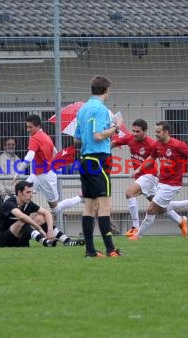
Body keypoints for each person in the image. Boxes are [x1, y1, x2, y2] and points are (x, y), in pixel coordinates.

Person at [112, 119, 188, 237]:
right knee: (161, 208)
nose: (156, 134)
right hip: (160, 181)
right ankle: (184, 212)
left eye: (158, 132)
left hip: (162, 180)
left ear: (166, 132)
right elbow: (151, 159)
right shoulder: (157, 145)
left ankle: (136, 232)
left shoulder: (174, 144)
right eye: (133, 130)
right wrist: (139, 169)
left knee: (139, 200)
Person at [74, 75, 122, 257]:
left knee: (89, 206)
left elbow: (77, 139)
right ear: (107, 90)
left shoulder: (83, 109)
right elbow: (98, 136)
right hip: (98, 159)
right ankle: (111, 249)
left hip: (85, 159)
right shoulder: (101, 109)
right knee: (104, 204)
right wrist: (115, 128)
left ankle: (90, 250)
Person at [11, 114, 82, 214]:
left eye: (30, 127)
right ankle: (19, 219)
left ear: (38, 126)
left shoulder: (34, 138)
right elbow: (55, 152)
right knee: (20, 195)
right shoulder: (46, 136)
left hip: (45, 177)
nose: (28, 129)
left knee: (55, 208)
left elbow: (29, 157)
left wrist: (16, 175)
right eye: (27, 126)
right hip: (37, 175)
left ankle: (80, 198)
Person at [0, 181, 84, 247]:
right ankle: (45, 241)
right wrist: (39, 228)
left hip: (17, 240)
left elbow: (47, 213)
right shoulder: (9, 203)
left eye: (32, 192)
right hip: (1, 241)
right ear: (19, 193)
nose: (31, 195)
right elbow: (21, 216)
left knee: (41, 217)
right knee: (22, 221)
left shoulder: (28, 204)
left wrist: (50, 230)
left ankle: (67, 241)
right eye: (28, 192)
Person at [0, 137, 21, 206]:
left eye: (13, 144)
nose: (11, 146)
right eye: (8, 144)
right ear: (4, 146)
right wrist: (2, 191)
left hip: (15, 192)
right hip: (4, 193)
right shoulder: (0, 160)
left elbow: (20, 176)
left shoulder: (18, 159)